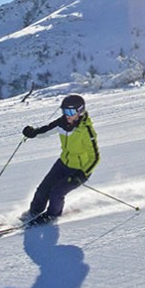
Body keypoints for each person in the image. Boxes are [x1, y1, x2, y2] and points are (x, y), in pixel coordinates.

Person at [20, 94, 100, 225]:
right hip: (63, 164)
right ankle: (34, 212)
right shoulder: (62, 123)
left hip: (79, 170)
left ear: (80, 111)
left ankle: (52, 216)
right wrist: (33, 133)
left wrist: (82, 174)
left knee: (57, 193)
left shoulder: (86, 130)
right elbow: (46, 130)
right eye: (64, 111)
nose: (67, 115)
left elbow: (95, 157)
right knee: (43, 189)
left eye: (71, 112)